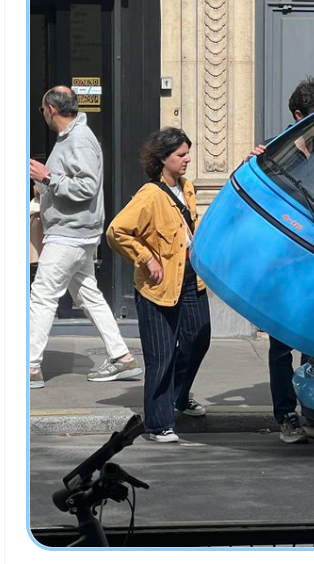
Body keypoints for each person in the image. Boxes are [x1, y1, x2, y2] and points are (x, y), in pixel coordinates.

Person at [245, 76, 314, 444]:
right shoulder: (271, 149)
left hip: (311, 254)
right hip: (279, 257)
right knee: (280, 343)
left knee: (313, 341)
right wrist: (251, 164)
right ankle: (286, 415)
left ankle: (313, 413)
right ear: (300, 115)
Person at [29, 87, 141, 389]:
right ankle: (121, 357)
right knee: (88, 295)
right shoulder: (73, 138)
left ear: (51, 110)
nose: (43, 115)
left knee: (42, 296)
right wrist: (48, 187)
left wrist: (47, 178)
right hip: (77, 233)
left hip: (69, 234)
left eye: (42, 110)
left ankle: (29, 366)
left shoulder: (79, 139)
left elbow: (87, 187)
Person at [106, 128, 211, 442]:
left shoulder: (187, 188)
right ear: (162, 158)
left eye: (187, 153)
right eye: (180, 155)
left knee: (198, 338)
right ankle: (158, 423)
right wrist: (145, 258)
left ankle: (177, 396)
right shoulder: (150, 195)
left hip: (191, 276)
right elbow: (116, 231)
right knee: (161, 354)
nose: (187, 160)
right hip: (158, 284)